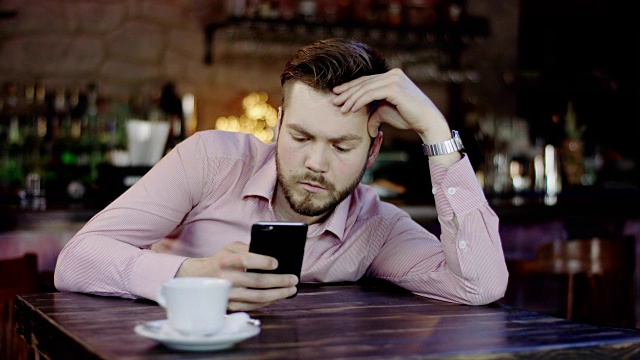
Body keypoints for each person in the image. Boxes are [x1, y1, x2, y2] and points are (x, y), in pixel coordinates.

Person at [55, 38, 508, 311]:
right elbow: (76, 260)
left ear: (374, 150)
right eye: (300, 136)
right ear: (277, 124)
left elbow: (480, 285)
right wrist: (192, 274)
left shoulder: (377, 227)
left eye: (341, 145)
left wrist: (435, 129)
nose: (315, 162)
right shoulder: (211, 160)